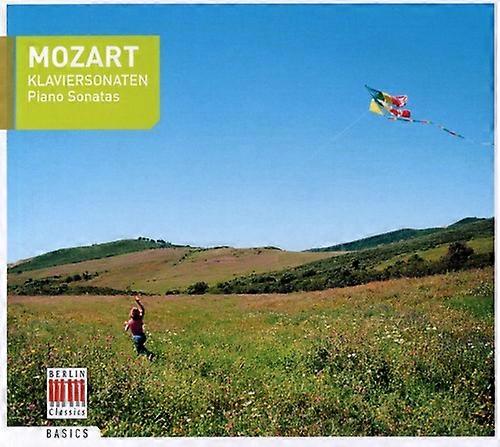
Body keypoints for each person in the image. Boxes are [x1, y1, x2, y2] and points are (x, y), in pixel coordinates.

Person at [124, 296, 154, 360]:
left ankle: (148, 355)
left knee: (139, 350)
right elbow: (143, 310)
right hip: (142, 336)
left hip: (136, 337)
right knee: (141, 347)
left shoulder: (130, 321)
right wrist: (138, 302)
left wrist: (126, 324)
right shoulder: (140, 318)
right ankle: (148, 355)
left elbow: (126, 329)